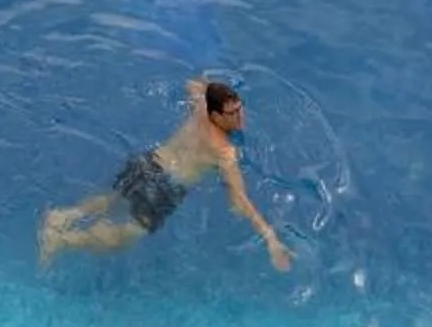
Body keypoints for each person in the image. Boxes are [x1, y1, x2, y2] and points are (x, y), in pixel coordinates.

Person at [39, 79, 292, 271]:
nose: (240, 116)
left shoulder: (201, 107)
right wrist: (270, 237)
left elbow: (192, 84)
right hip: (166, 187)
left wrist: (210, 88)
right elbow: (239, 199)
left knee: (111, 197)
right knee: (124, 237)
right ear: (216, 115)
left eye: (240, 108)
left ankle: (63, 215)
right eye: (233, 113)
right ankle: (64, 240)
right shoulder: (224, 149)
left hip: (149, 161)